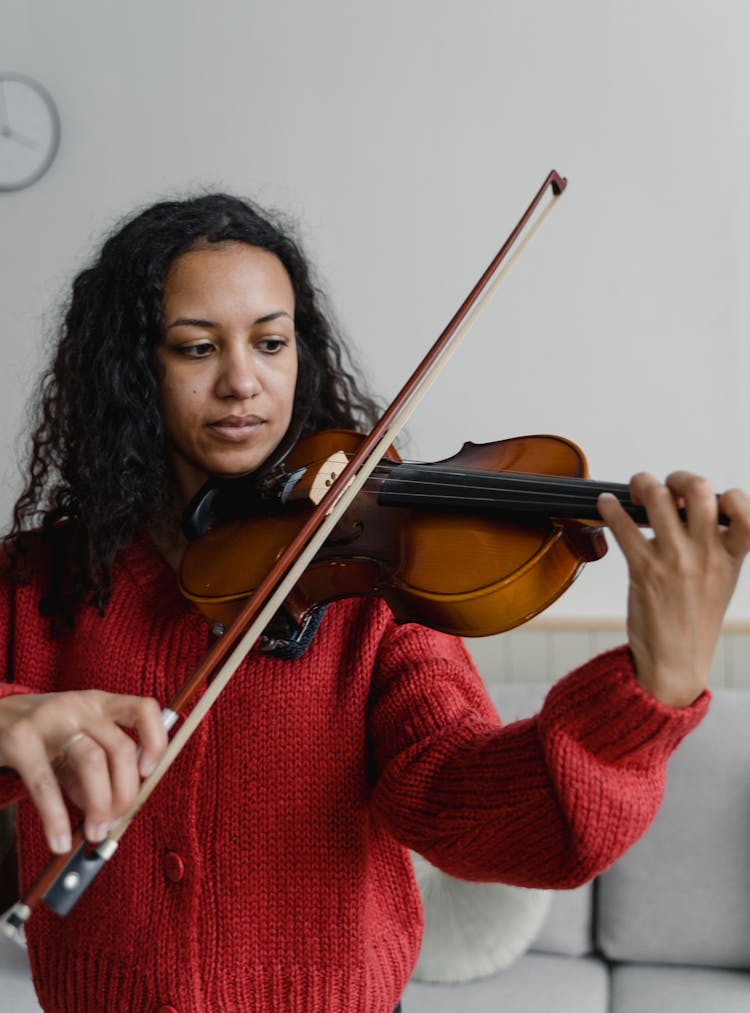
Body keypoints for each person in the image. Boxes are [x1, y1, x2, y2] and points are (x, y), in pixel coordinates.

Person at [0, 193, 748, 1013]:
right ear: (133, 369)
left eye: (271, 342)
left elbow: (468, 802)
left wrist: (652, 692)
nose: (243, 380)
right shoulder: (36, 583)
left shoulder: (367, 586)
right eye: (196, 347)